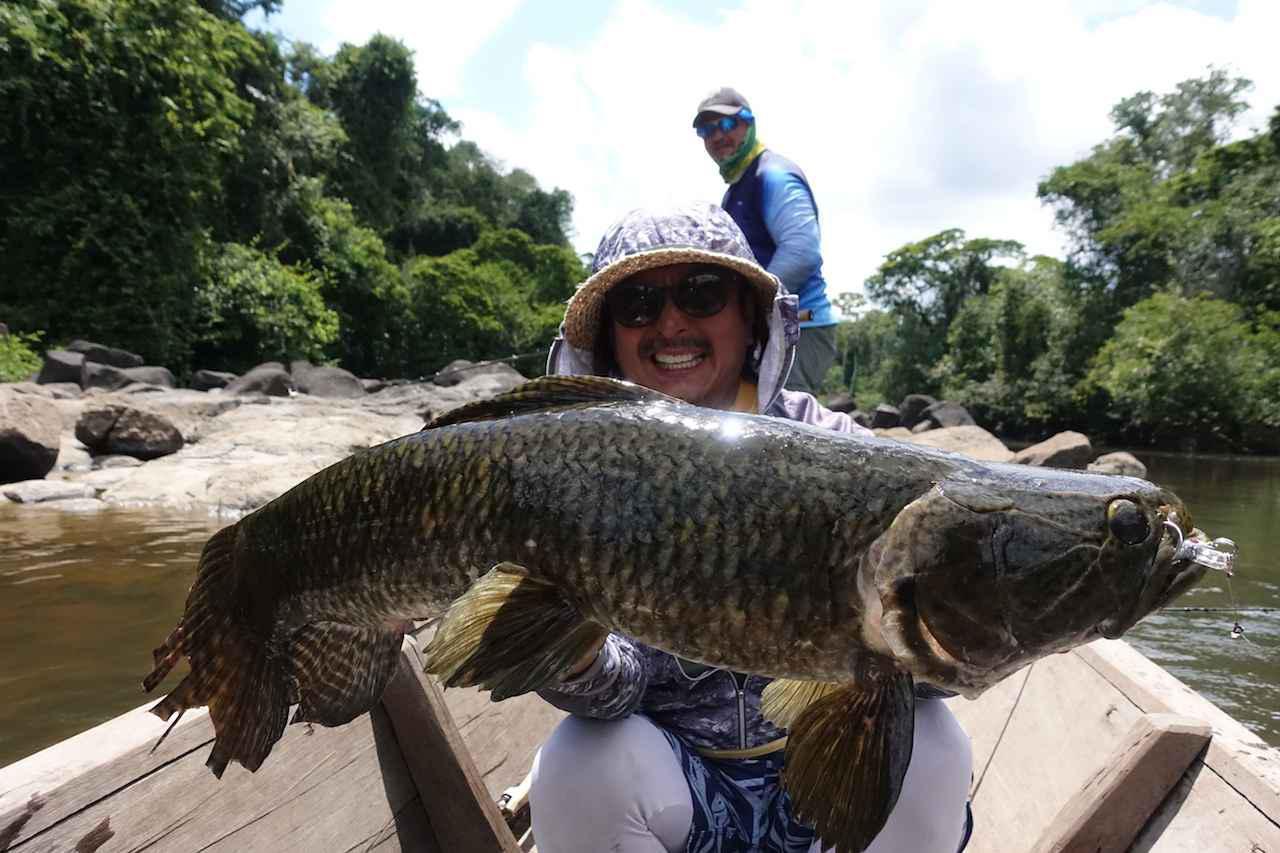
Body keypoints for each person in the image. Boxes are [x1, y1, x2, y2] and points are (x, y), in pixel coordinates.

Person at [532, 202, 973, 853]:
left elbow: (937, 674)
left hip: (828, 792)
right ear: (610, 336)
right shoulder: (569, 474)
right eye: (640, 304)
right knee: (576, 761)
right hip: (677, 789)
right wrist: (555, 642)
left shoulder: (845, 453)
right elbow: (612, 689)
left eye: (702, 293)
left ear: (747, 313)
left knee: (931, 741)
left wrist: (934, 631)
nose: (672, 323)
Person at [692, 87, 838, 396]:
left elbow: (801, 251)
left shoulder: (773, 176)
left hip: (802, 324)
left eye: (727, 124)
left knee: (785, 422)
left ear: (749, 123)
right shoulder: (736, 190)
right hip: (768, 329)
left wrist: (748, 306)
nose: (717, 136)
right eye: (706, 130)